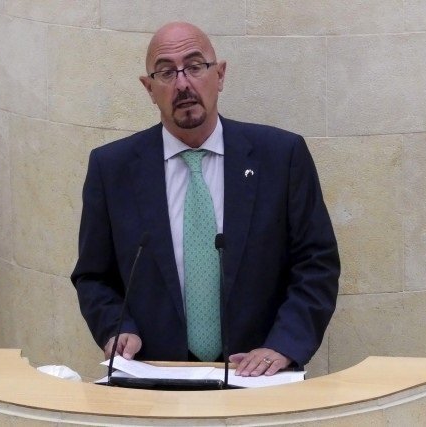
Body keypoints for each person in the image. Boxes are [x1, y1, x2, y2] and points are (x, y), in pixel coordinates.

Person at [71, 22, 339, 377]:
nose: (183, 84)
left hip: (257, 377)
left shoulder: (281, 157)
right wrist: (116, 329)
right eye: (166, 72)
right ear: (149, 88)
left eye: (195, 67)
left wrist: (283, 345)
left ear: (220, 75)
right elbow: (93, 276)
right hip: (154, 376)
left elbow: (316, 265)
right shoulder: (112, 168)